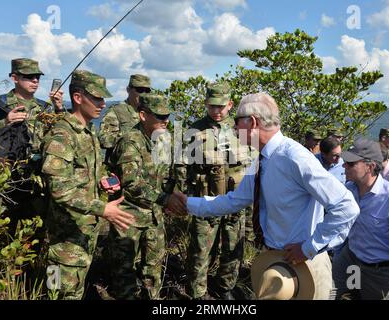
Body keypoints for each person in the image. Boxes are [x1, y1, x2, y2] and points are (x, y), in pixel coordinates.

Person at [170, 92, 360, 300]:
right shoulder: (260, 160)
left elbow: (347, 206)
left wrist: (308, 248)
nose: (233, 128)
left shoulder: (295, 158)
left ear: (252, 122)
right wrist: (188, 203)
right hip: (277, 265)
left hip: (304, 267)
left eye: (236, 121)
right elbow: (235, 200)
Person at [41, 70, 136, 300]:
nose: (102, 104)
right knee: (56, 292)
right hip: (63, 241)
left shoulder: (87, 131)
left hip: (82, 235)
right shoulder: (62, 135)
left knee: (73, 291)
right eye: (97, 98)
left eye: (103, 98)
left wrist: (102, 181)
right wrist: (103, 209)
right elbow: (59, 188)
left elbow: (81, 175)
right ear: (78, 97)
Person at [180, 82, 252, 300]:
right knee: (201, 250)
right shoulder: (194, 130)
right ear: (206, 104)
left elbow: (253, 165)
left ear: (230, 104)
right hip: (206, 201)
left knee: (233, 249)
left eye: (221, 106)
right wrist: (183, 195)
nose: (216, 111)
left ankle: (224, 288)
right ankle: (198, 293)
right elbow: (181, 166)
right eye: (212, 106)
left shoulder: (243, 131)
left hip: (235, 201)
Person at [106, 93, 183, 300]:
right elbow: (132, 185)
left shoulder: (164, 140)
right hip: (129, 218)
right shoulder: (130, 142)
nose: (165, 121)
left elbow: (168, 174)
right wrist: (165, 199)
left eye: (167, 116)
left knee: (153, 271)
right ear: (143, 115)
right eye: (159, 116)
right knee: (124, 275)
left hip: (154, 217)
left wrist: (174, 193)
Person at [332, 138, 389, 300]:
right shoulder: (349, 191)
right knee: (347, 296)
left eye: (350, 163)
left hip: (382, 273)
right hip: (353, 262)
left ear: (370, 166)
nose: (344, 166)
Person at [0, 58, 64, 219]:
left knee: (34, 229)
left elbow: (61, 135)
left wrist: (59, 109)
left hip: (35, 179)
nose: (34, 80)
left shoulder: (43, 108)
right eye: (29, 76)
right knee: (0, 227)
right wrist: (3, 122)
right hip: (4, 179)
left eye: (37, 77)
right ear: (14, 78)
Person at [98, 74, 151, 164]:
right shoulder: (117, 111)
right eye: (140, 90)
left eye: (147, 91)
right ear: (128, 90)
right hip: (122, 167)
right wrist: (129, 137)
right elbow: (104, 140)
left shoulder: (150, 113)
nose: (143, 94)